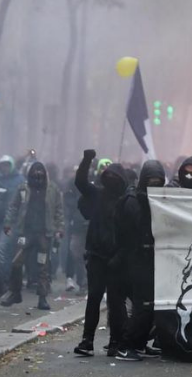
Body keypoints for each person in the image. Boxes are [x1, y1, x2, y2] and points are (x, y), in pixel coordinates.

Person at [74, 150, 128, 357]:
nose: (111, 179)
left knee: (115, 302)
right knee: (94, 299)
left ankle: (115, 341)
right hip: (96, 256)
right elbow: (80, 183)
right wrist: (86, 160)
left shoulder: (126, 200)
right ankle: (87, 340)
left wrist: (121, 256)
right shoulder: (97, 195)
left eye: (116, 177)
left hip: (117, 259)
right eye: (109, 176)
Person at [115, 160, 167, 361]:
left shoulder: (157, 200)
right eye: (151, 181)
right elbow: (133, 232)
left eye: (158, 182)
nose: (154, 185)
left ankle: (140, 342)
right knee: (142, 305)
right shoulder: (133, 201)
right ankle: (126, 345)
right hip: (136, 260)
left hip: (150, 259)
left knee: (151, 305)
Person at [0, 162, 64, 311]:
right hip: (25, 232)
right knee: (16, 262)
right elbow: (13, 206)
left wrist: (59, 228)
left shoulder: (52, 189)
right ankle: (15, 292)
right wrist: (8, 223)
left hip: (44, 234)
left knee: (43, 266)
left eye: (40, 172)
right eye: (35, 172)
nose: (38, 176)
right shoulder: (23, 187)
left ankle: (42, 298)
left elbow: (59, 210)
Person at [0, 155, 25, 288]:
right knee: (2, 250)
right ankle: (4, 278)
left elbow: (23, 201)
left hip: (14, 221)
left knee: (6, 249)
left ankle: (9, 278)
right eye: (2, 165)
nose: (5, 168)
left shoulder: (20, 180)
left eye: (7, 165)